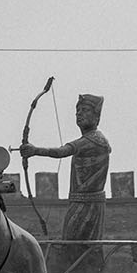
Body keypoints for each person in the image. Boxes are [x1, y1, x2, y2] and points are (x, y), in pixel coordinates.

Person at [20, 93, 110, 242]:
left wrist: (35, 150)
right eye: (78, 110)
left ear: (96, 117)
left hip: (86, 206)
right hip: (84, 204)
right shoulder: (92, 140)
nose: (79, 113)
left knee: (73, 245)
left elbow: (61, 152)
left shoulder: (94, 140)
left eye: (85, 110)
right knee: (80, 246)